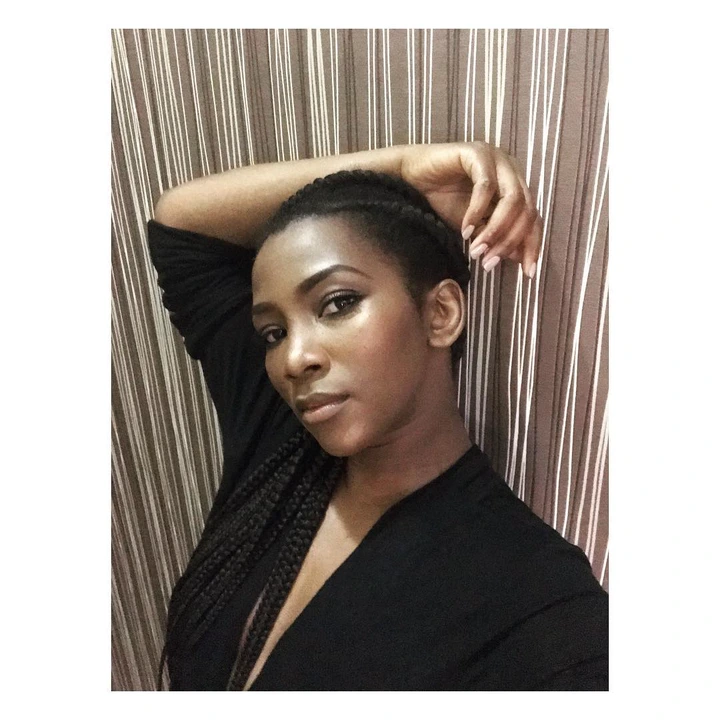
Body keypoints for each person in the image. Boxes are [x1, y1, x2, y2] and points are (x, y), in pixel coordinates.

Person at [146, 141, 608, 691]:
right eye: (273, 332)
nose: (294, 359)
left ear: (441, 313)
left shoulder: (539, 605)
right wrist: (404, 169)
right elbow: (179, 224)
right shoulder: (278, 444)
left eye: (337, 303)